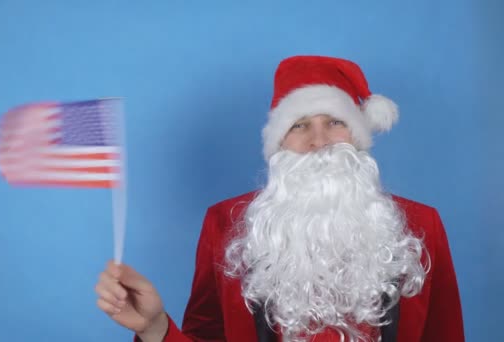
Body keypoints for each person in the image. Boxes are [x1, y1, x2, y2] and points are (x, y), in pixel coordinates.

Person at [95, 56, 464, 342]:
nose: (318, 141)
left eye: (334, 122)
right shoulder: (225, 223)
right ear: (279, 142)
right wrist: (155, 327)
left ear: (357, 135)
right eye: (299, 125)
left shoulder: (421, 224)